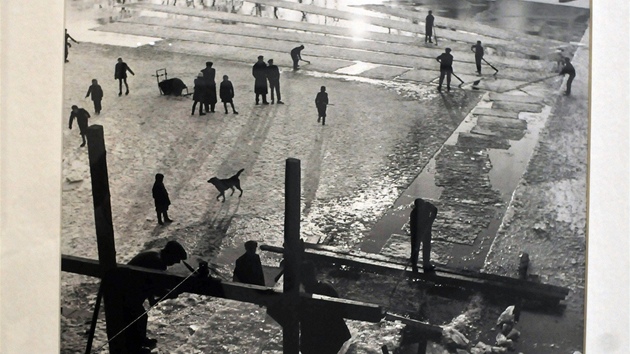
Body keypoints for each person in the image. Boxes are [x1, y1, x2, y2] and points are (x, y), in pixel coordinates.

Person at [122, 241, 188, 353]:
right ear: (170, 254)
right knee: (137, 318)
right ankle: (136, 348)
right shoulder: (158, 262)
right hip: (125, 290)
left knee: (137, 318)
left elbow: (149, 280)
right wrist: (169, 293)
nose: (175, 263)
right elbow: (156, 287)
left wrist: (151, 299)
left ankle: (139, 341)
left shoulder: (156, 253)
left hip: (129, 287)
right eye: (176, 259)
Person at [299, 261, 352, 354]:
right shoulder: (326, 288)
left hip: (316, 340)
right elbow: (341, 308)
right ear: (314, 273)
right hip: (332, 336)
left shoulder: (302, 296)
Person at [409, 198, 437, 273]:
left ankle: (426, 265)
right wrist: (418, 237)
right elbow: (413, 228)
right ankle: (414, 266)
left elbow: (435, 210)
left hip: (426, 230)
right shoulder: (414, 214)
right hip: (417, 232)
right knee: (415, 248)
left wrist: (431, 220)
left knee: (427, 247)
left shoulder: (427, 206)